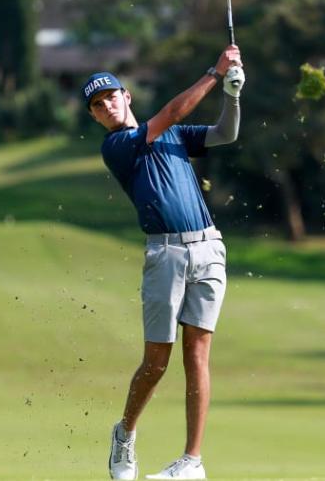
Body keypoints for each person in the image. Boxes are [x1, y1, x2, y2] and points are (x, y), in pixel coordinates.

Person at [82, 45, 245, 480]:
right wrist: (215, 72)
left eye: (111, 97)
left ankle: (192, 461)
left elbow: (224, 134)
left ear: (126, 96)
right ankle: (125, 434)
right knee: (157, 361)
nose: (106, 106)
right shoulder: (118, 146)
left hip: (208, 247)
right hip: (165, 253)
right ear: (96, 117)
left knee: (198, 356)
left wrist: (232, 92)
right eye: (97, 106)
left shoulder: (171, 134)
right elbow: (172, 111)